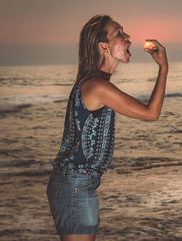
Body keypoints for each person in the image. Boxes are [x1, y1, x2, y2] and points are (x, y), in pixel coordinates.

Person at [47, 15, 168, 241]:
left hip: (76, 183)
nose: (128, 37)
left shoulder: (95, 82)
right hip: (75, 185)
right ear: (103, 46)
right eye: (119, 33)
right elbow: (151, 113)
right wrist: (163, 67)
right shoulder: (97, 86)